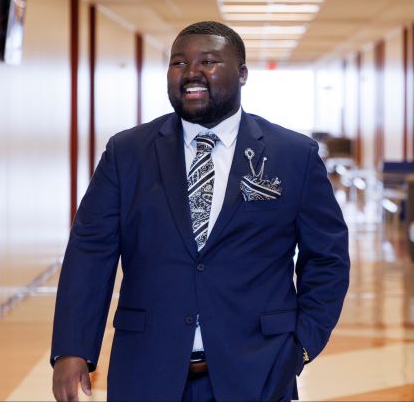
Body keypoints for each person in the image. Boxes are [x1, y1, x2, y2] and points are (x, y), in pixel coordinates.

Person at [51, 21, 350, 402]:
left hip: (259, 370)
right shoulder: (127, 153)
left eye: (208, 61)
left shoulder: (293, 155)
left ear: (242, 74)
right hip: (147, 369)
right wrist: (73, 347)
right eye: (178, 63)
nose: (191, 72)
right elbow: (90, 252)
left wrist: (302, 343)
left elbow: (327, 259)